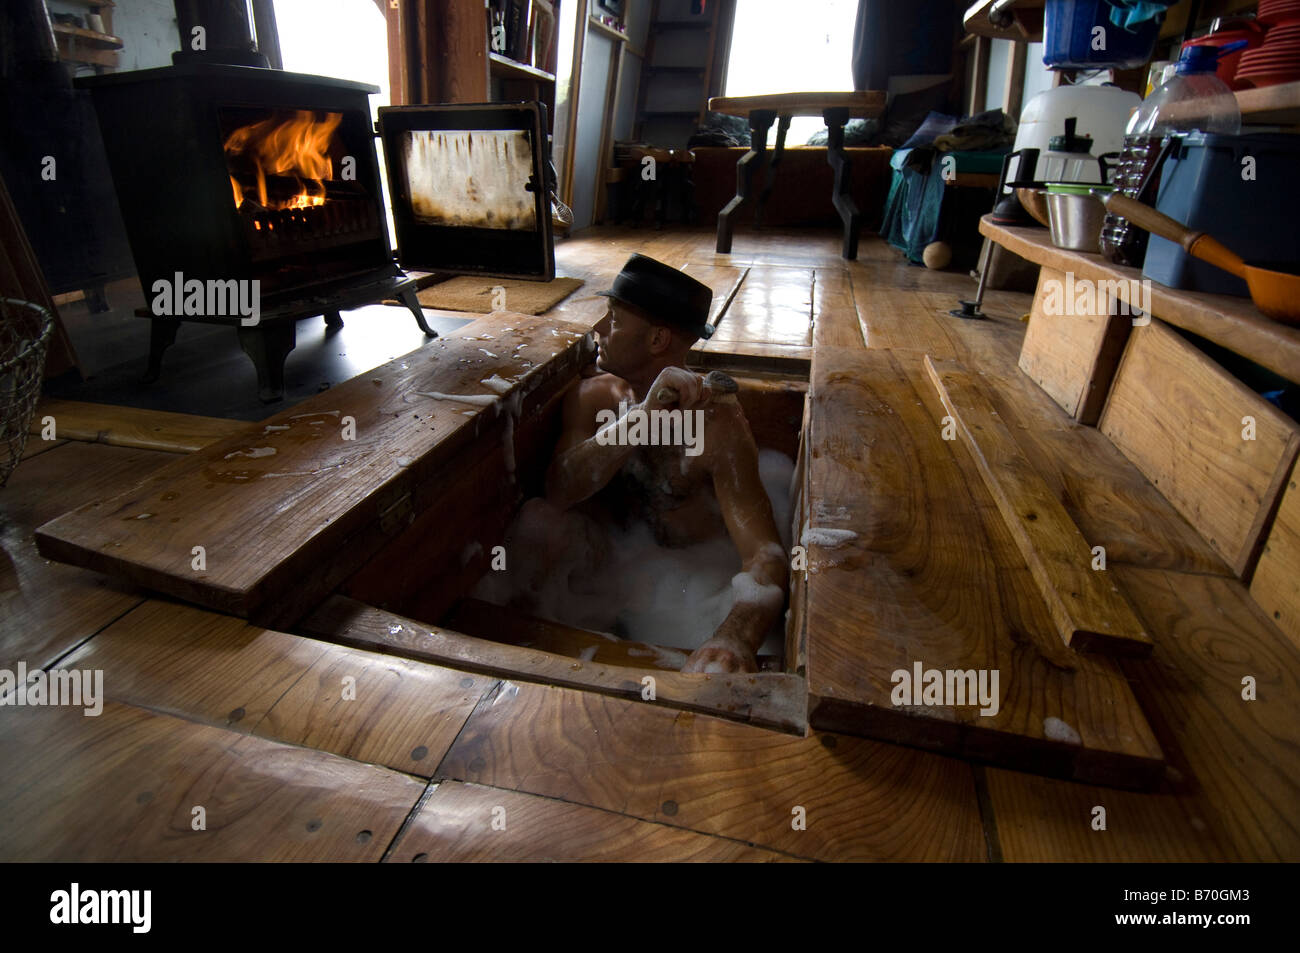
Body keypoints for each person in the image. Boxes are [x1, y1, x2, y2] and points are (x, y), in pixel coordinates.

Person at [504, 254, 788, 673]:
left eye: (615, 320)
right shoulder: (596, 397)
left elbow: (765, 554)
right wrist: (640, 418)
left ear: (657, 340)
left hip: (693, 589)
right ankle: (518, 647)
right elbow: (559, 491)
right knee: (538, 520)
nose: (599, 330)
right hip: (613, 574)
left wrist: (735, 636)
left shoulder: (717, 424)